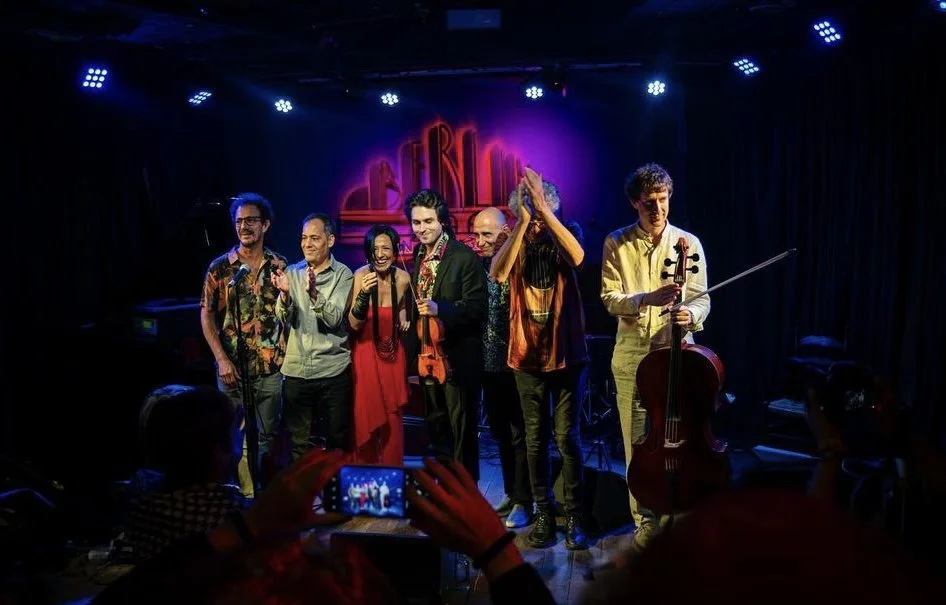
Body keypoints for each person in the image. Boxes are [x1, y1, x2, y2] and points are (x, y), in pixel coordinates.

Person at [599, 162, 710, 549]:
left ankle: (677, 511)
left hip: (676, 355)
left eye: (663, 199)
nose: (658, 208)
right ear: (635, 202)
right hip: (632, 356)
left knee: (681, 439)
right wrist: (647, 298)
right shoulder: (616, 242)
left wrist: (689, 314)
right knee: (639, 445)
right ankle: (643, 520)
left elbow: (702, 299)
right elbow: (609, 298)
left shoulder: (688, 243)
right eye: (649, 202)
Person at [490, 167, 589, 550]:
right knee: (535, 438)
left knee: (567, 437)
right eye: (528, 211)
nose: (534, 220)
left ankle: (575, 515)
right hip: (525, 354)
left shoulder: (568, 230)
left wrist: (544, 212)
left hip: (567, 354)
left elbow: (577, 258)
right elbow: (499, 274)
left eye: (539, 210)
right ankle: (544, 512)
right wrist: (521, 222)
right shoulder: (512, 235)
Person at [200, 193, 288, 496]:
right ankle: (243, 499)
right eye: (239, 221)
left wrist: (284, 354)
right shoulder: (220, 268)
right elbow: (206, 315)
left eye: (251, 220)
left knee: (266, 438)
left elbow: (288, 314)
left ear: (265, 225)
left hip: (270, 369)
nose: (244, 227)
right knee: (232, 440)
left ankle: (261, 496)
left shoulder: (279, 265)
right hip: (233, 371)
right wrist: (221, 359)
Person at [405, 189, 487, 481]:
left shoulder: (464, 257)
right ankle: (444, 487)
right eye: (416, 222)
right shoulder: (418, 257)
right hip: (429, 358)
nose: (422, 229)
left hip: (456, 359)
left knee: (461, 432)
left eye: (428, 221)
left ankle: (465, 493)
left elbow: (477, 308)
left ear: (442, 221)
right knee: (437, 427)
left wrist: (441, 308)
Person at [271, 213, 354, 459]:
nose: (307, 244)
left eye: (314, 238)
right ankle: (303, 486)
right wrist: (285, 295)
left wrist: (314, 294)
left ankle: (332, 485)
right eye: (304, 238)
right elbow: (283, 318)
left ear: (330, 240)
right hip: (297, 371)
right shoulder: (293, 272)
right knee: (298, 446)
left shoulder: (343, 274)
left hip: (332, 371)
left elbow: (334, 318)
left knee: (336, 444)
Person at [472, 207, 532, 529]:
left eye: (487, 234)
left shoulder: (517, 263)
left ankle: (525, 500)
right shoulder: (479, 266)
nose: (480, 241)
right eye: (477, 235)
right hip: (488, 365)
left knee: (520, 434)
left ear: (506, 233)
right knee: (501, 433)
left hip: (516, 363)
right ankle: (512, 492)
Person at [347, 224, 412, 465]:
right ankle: (365, 472)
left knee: (393, 416)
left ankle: (392, 470)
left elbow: (402, 305)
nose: (380, 254)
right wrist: (364, 293)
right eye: (375, 249)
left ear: (395, 251)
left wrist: (403, 317)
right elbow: (353, 323)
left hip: (392, 354)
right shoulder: (360, 275)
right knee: (366, 412)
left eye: (386, 248)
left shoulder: (404, 278)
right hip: (365, 352)